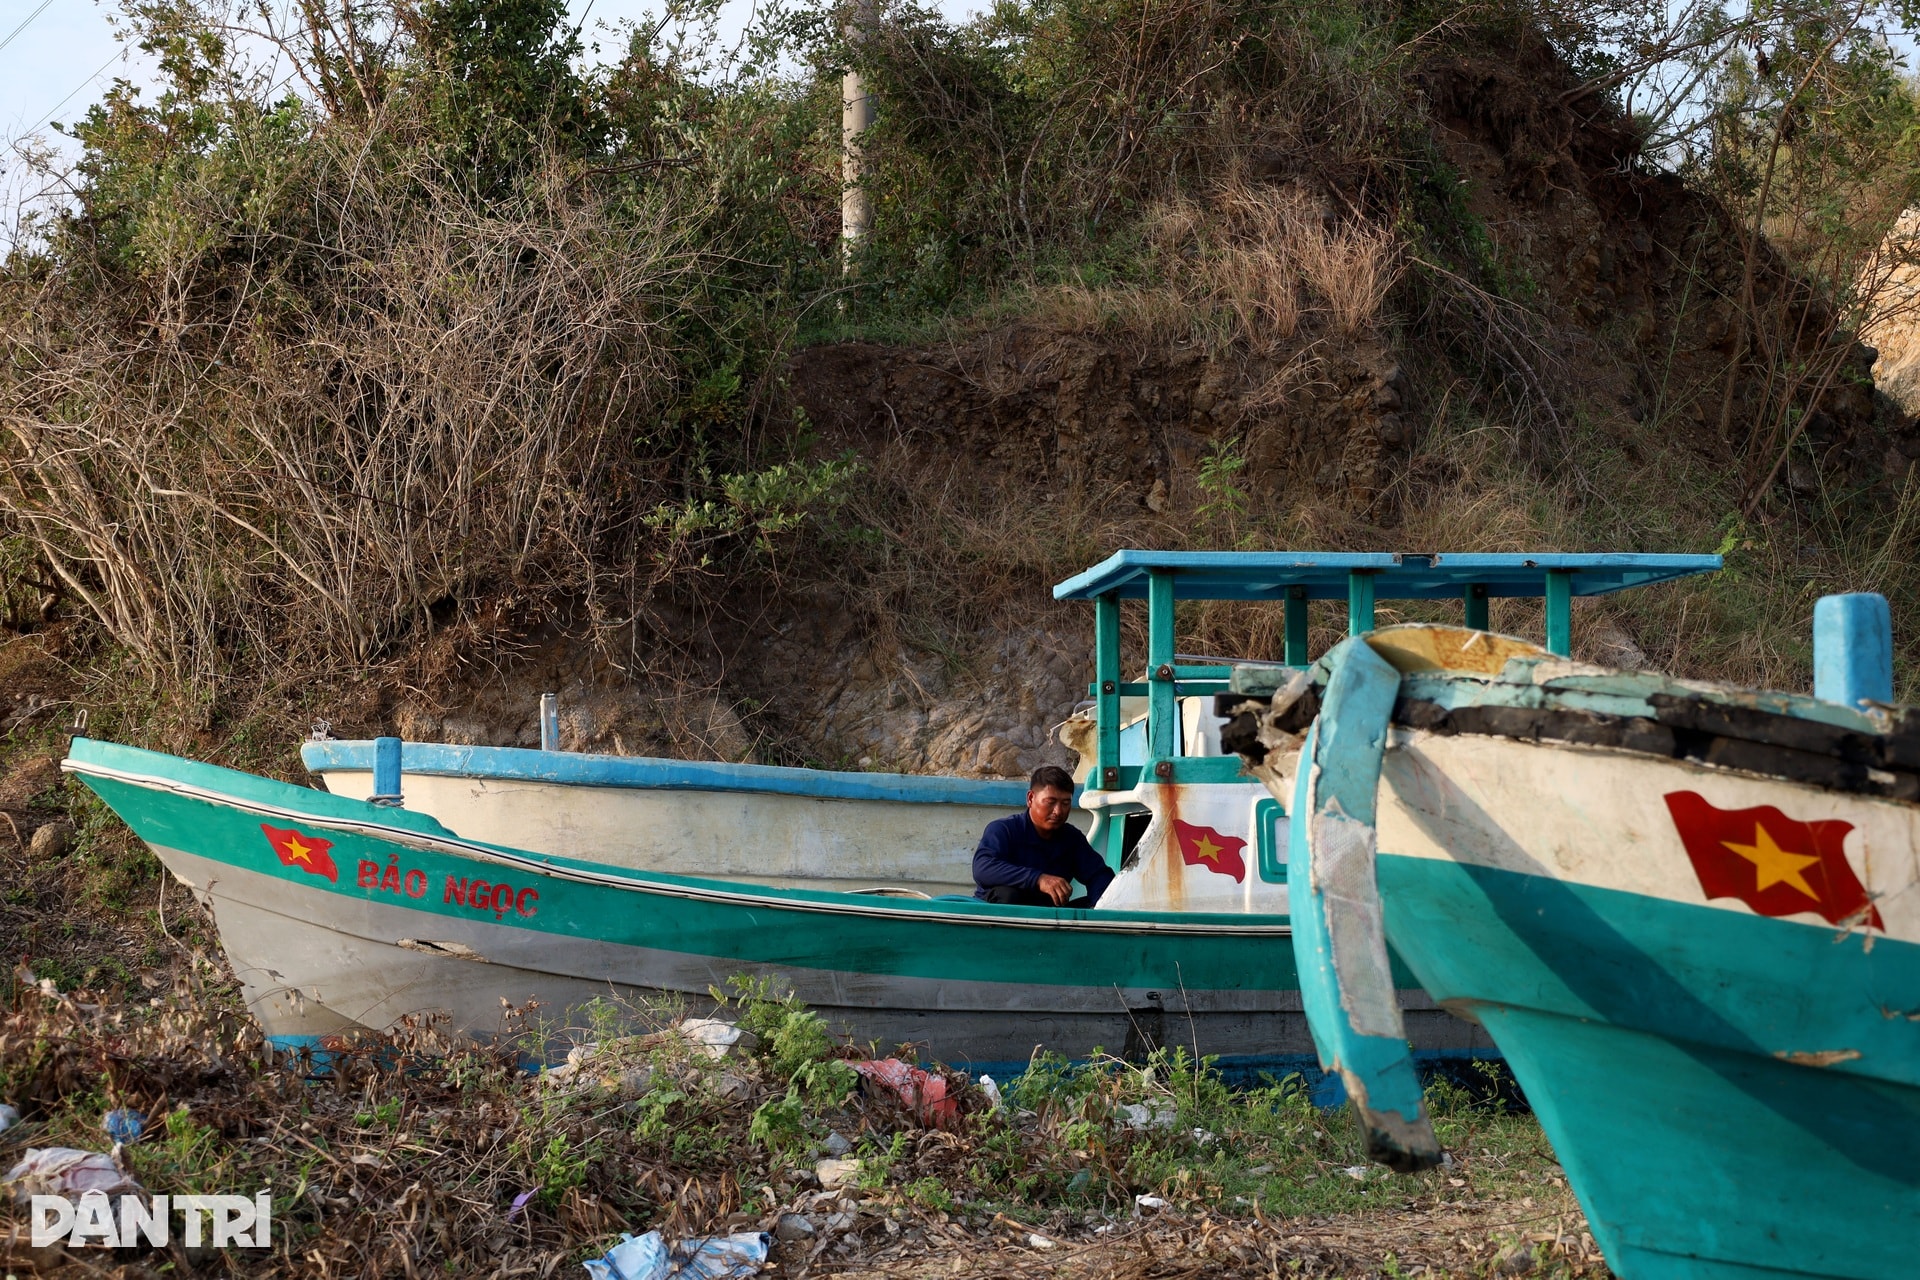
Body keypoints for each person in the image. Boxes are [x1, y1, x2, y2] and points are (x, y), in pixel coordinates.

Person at [972, 765, 1114, 908]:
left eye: (1065, 803)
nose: (1058, 811)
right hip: (998, 918)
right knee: (1008, 895)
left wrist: (1098, 905)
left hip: (1048, 919)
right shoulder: (1003, 830)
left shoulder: (1072, 839)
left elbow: (1099, 875)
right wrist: (1038, 879)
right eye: (1050, 802)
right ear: (1030, 798)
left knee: (1104, 900)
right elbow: (982, 868)